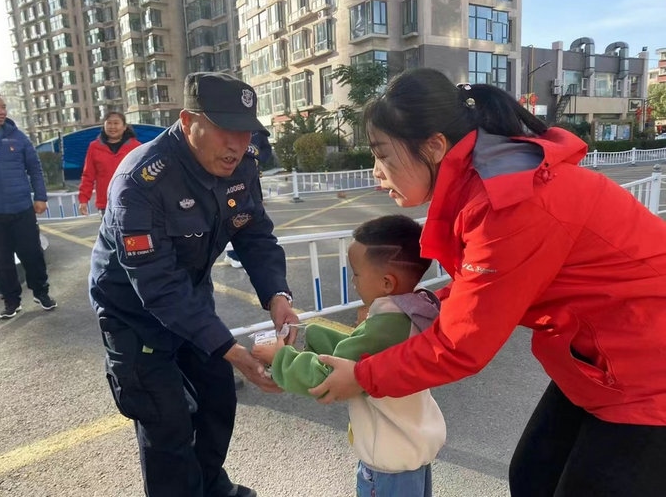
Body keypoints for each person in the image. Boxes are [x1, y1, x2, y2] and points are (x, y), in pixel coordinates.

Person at [307, 68, 666, 496]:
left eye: (383, 155)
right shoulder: (485, 182)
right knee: (532, 475)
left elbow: (460, 344)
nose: (375, 172)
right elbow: (478, 290)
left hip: (646, 369)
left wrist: (363, 377)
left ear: (434, 146)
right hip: (604, 356)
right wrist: (409, 310)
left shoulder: (510, 203)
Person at [88, 72, 299, 497]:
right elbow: (157, 285)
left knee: (217, 396)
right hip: (133, 314)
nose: (237, 145)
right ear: (187, 121)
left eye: (245, 132)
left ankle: (210, 486)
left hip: (192, 298)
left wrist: (278, 295)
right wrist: (234, 352)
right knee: (166, 419)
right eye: (225, 130)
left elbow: (254, 233)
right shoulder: (141, 180)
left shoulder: (243, 164)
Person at [252, 215, 446, 497]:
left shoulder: (386, 328)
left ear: (387, 283)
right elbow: (356, 350)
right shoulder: (410, 311)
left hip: (388, 461)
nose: (353, 281)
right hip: (410, 449)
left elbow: (328, 378)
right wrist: (312, 333)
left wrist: (280, 357)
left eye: (356, 273)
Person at [0, 92, 57, 319]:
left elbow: (35, 168)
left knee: (32, 255)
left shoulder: (18, 137)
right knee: (2, 263)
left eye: (3, 106)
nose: (1, 111)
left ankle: (41, 293)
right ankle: (11, 302)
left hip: (21, 209)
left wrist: (40, 196)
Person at [78, 111, 141, 217]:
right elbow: (88, 175)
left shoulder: (136, 147)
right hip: (106, 204)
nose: (112, 127)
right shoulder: (94, 147)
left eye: (116, 123)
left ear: (124, 127)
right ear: (104, 125)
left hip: (131, 202)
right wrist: (83, 199)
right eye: (109, 123)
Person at [224, 131, 273, 269]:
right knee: (234, 219)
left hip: (251, 180)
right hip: (232, 181)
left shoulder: (259, 132)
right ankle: (232, 254)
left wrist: (258, 159)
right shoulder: (231, 129)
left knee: (253, 219)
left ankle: (243, 257)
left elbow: (266, 150)